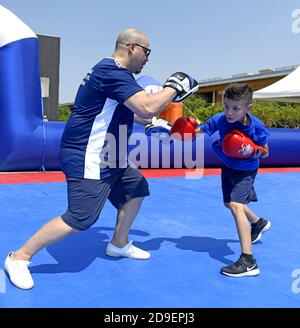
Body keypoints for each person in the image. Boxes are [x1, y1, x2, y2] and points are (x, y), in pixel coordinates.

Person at [4, 28, 199, 289]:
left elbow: (138, 113)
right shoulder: (111, 72)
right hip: (89, 153)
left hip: (111, 152)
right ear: (132, 48)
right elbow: (146, 105)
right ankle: (19, 257)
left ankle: (119, 243)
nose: (147, 58)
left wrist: (154, 123)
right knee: (81, 217)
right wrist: (173, 87)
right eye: (146, 52)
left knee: (136, 188)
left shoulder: (118, 76)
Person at [197, 83, 271, 277]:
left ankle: (248, 261)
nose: (229, 112)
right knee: (229, 203)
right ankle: (258, 223)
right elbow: (202, 129)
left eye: (235, 108)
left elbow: (266, 152)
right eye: (226, 106)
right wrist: (183, 129)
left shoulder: (256, 127)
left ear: (248, 107)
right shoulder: (221, 119)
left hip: (246, 170)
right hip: (227, 165)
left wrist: (252, 150)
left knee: (237, 205)